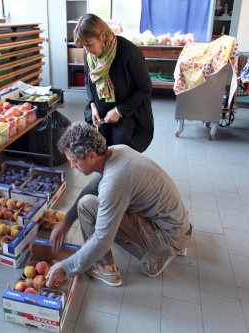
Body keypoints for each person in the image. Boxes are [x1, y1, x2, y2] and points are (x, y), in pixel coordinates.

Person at [45, 122, 191, 288]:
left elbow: (102, 240)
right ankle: (152, 248)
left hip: (170, 238)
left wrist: (65, 267)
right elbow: (91, 188)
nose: (72, 166)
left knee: (86, 207)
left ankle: (108, 268)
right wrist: (67, 221)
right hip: (176, 224)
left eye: (75, 161)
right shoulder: (116, 151)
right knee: (93, 203)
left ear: (92, 156)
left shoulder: (114, 181)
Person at [74, 13, 154, 153]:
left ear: (103, 36)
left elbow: (145, 88)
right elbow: (89, 81)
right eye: (83, 46)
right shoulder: (89, 53)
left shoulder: (129, 52)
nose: (86, 51)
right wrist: (92, 105)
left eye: (89, 45)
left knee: (122, 158)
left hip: (128, 118)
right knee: (102, 155)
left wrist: (119, 110)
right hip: (102, 118)